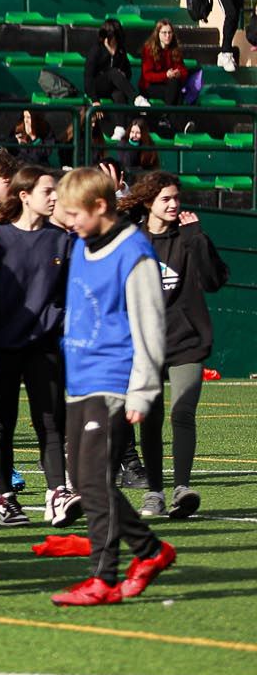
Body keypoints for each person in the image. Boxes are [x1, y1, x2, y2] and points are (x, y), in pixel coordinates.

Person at [49, 168, 177, 605]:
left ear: (100, 207)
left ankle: (102, 579)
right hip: (80, 383)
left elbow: (150, 325)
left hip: (115, 382)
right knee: (86, 484)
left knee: (98, 480)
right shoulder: (83, 245)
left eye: (73, 213)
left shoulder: (134, 253)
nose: (67, 221)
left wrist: (142, 391)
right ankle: (150, 550)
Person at [123, 172, 224, 520]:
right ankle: (154, 492)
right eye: (166, 198)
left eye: (177, 198)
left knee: (183, 412)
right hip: (144, 344)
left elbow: (212, 282)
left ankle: (182, 488)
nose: (174, 204)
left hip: (187, 341)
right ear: (149, 201)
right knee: (149, 419)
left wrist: (198, 239)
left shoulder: (190, 237)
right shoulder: (132, 239)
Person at [0, 165, 73, 528]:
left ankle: (58, 494)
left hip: (44, 345)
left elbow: (72, 293)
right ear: (24, 196)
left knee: (51, 421)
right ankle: (6, 496)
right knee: (0, 423)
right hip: (0, 345)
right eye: (47, 191)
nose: (54, 197)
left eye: (56, 191)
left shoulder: (62, 240)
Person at [85, 18, 148, 108]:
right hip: (98, 86)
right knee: (113, 72)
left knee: (120, 95)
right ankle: (137, 98)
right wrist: (94, 99)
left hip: (114, 87)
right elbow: (88, 77)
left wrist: (123, 74)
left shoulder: (121, 50)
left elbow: (128, 71)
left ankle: (122, 122)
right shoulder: (97, 50)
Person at [140, 20, 193, 106]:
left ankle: (167, 117)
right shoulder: (148, 49)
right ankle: (169, 117)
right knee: (176, 92)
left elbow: (183, 70)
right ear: (158, 34)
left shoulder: (174, 49)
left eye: (170, 33)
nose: (167, 36)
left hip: (168, 85)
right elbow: (147, 76)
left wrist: (178, 73)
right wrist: (166, 75)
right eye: (164, 33)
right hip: (150, 86)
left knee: (175, 85)